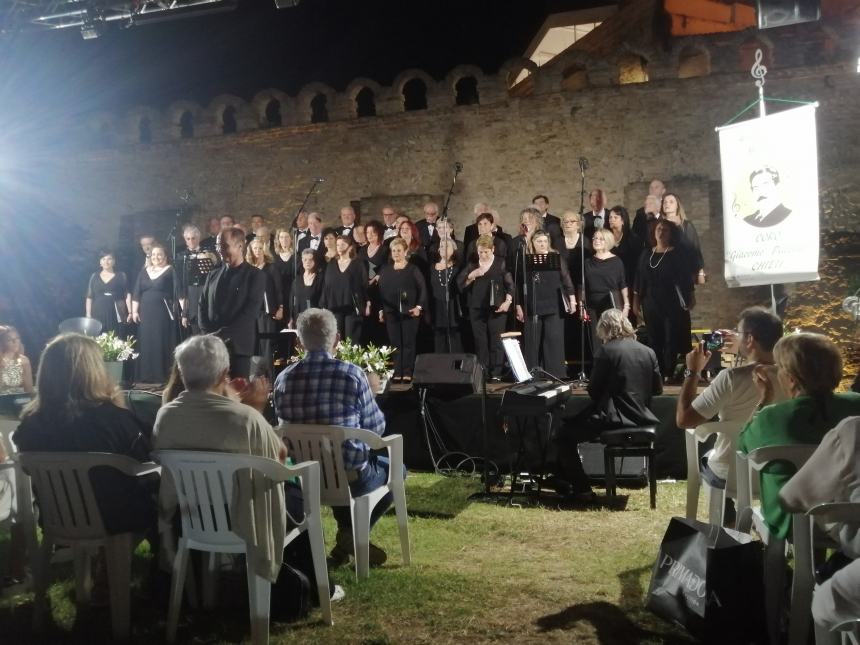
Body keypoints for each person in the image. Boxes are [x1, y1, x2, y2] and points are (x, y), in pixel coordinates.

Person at [153, 335, 290, 584]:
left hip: (189, 515)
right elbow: (278, 458)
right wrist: (255, 409)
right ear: (224, 373)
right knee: (296, 497)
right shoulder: (246, 418)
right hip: (239, 516)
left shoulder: (166, 415)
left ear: (182, 371)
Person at [274, 308, 400, 566]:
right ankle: (350, 535)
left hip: (303, 479)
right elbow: (376, 430)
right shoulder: (352, 375)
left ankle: (345, 541)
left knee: (335, 462)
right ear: (337, 339)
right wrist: (373, 394)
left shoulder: (283, 379)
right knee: (397, 470)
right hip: (348, 477)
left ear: (299, 341)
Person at [14, 333, 157, 536]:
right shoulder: (115, 420)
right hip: (116, 518)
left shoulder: (31, 424)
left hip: (57, 515)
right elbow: (147, 460)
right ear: (95, 371)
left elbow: (27, 467)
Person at [739, 333, 860, 539]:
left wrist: (763, 400)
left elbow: (742, 445)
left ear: (791, 378)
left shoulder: (771, 417)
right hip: (848, 518)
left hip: (790, 521)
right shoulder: (856, 406)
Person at [675, 307, 786, 516]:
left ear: (750, 339)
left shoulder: (731, 378)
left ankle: (727, 522)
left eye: (739, 332)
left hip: (731, 473)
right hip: (776, 472)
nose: (735, 335)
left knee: (711, 457)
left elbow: (684, 420)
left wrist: (693, 371)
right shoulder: (793, 377)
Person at [551, 309, 662, 497]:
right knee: (571, 426)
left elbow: (594, 391)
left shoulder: (606, 351)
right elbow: (657, 389)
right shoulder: (648, 352)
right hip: (643, 419)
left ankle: (582, 489)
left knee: (562, 435)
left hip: (614, 419)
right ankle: (564, 481)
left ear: (605, 328)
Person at [779, 417, 860, 645]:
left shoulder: (851, 430)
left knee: (825, 600)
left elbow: (791, 499)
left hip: (848, 567)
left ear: (791, 381)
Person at [198, 228, 266, 378]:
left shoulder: (255, 276)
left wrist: (220, 335)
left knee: (238, 394)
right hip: (212, 347)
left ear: (240, 246)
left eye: (224, 246)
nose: (219, 250)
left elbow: (250, 313)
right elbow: (202, 305)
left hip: (238, 347)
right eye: (218, 246)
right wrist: (207, 334)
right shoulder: (213, 275)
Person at [633, 219, 695, 381]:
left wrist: (691, 296)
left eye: (665, 230)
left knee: (671, 337)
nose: (661, 232)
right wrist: (636, 302)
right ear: (654, 232)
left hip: (672, 301)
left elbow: (686, 279)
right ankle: (657, 372)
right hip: (651, 302)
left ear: (671, 233)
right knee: (654, 337)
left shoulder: (677, 254)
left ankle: (669, 372)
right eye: (658, 229)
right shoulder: (646, 254)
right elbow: (639, 279)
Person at [515, 230, 576, 379]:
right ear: (533, 244)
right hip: (533, 304)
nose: (542, 244)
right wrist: (518, 305)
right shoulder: (526, 259)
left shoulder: (556, 258)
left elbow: (566, 279)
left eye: (544, 241)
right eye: (538, 241)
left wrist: (572, 300)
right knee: (532, 340)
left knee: (553, 339)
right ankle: (532, 372)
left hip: (553, 303)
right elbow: (519, 284)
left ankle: (555, 374)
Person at [458, 234, 514, 380]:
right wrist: (472, 276)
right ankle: (483, 370)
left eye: (486, 252)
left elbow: (510, 285)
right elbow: (460, 285)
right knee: (480, 340)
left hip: (497, 307)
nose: (483, 255)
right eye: (480, 252)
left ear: (493, 249)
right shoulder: (472, 264)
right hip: (476, 307)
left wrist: (507, 302)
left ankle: (496, 373)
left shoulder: (500, 263)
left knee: (496, 340)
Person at [377, 238, 428, 381]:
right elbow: (380, 292)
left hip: (409, 312)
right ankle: (397, 371)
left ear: (406, 252)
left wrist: (419, 307)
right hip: (391, 313)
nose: (396, 253)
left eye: (399, 250)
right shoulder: (385, 270)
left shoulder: (413, 269)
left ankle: (407, 371)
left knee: (408, 343)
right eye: (393, 250)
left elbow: (422, 289)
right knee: (395, 343)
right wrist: (381, 310)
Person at [132, 243, 176, 384]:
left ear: (165, 256)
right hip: (145, 312)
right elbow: (136, 292)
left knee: (160, 340)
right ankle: (146, 375)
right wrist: (134, 311)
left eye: (159, 254)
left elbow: (179, 291)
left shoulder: (170, 270)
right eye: (154, 254)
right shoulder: (144, 271)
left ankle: (161, 376)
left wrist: (184, 312)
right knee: (146, 341)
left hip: (162, 312)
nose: (156, 257)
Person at [582, 229, 629, 354]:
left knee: (613, 337)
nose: (596, 241)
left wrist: (627, 305)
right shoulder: (587, 262)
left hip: (612, 303)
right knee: (596, 338)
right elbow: (582, 286)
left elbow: (623, 284)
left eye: (600, 239)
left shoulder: (617, 261)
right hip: (592, 305)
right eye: (595, 238)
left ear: (608, 241)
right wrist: (582, 305)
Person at [320, 235, 369, 344]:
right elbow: (326, 285)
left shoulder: (358, 264)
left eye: (343, 244)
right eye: (337, 244)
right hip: (335, 306)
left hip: (352, 307)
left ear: (350, 247)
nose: (339, 247)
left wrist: (367, 304)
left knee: (352, 340)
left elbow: (364, 285)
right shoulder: (331, 264)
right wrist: (323, 305)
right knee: (336, 340)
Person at [247, 237, 284, 376]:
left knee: (267, 346)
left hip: (267, 312)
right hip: (252, 313)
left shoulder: (271, 268)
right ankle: (255, 378)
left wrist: (280, 308)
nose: (257, 251)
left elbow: (279, 289)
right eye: (255, 248)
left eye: (260, 248)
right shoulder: (248, 268)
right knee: (254, 344)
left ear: (264, 250)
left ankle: (269, 380)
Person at [176, 226, 217, 336]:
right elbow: (180, 282)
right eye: (188, 239)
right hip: (191, 293)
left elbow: (215, 274)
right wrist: (184, 312)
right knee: (194, 330)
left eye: (193, 238)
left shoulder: (209, 252)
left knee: (208, 328)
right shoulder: (181, 257)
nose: (191, 241)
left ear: (198, 238)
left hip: (205, 291)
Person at [661, 193, 704, 287]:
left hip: (683, 270)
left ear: (677, 206)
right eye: (665, 202)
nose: (667, 204)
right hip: (663, 270)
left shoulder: (687, 225)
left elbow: (695, 248)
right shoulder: (659, 226)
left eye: (671, 202)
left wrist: (700, 273)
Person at [85, 250, 132, 336]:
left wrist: (130, 312)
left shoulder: (121, 275)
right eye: (103, 259)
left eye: (109, 259)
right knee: (99, 336)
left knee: (116, 336)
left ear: (114, 261)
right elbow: (89, 296)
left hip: (115, 311)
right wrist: (88, 314)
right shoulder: (94, 276)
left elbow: (127, 294)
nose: (106, 261)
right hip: (98, 310)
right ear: (100, 261)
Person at [358, 221, 389, 346]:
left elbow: (387, 268)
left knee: (379, 322)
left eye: (373, 232)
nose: (370, 235)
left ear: (379, 233)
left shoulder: (385, 250)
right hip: (366, 291)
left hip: (379, 291)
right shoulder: (362, 250)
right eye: (367, 232)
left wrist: (377, 277)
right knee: (367, 322)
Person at [430, 238, 463, 353]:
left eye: (446, 246)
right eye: (441, 246)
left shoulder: (458, 267)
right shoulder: (432, 267)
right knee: (438, 337)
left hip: (452, 305)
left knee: (454, 337)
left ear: (453, 250)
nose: (443, 248)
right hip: (437, 306)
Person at [606, 206, 641, 298]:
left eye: (615, 217)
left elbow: (637, 264)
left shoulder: (633, 239)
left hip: (628, 282)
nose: (611, 220)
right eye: (610, 217)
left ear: (623, 221)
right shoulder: (605, 237)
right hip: (609, 281)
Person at [288, 249, 324, 327]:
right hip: (298, 319)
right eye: (305, 260)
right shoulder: (297, 279)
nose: (307, 262)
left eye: (311, 259)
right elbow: (292, 299)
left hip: (315, 319)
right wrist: (290, 318)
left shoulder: (320, 278)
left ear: (315, 261)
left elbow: (323, 300)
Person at [0, 326, 33, 394]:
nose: (15, 342)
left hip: (17, 400)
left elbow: (29, 389)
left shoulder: (24, 361)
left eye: (17, 338)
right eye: (9, 339)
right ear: (2, 343)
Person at [273, 228, 296, 322]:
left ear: (291, 239)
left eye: (287, 237)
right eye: (281, 237)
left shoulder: (296, 256)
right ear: (278, 240)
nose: (284, 239)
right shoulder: (273, 257)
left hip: (293, 293)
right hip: (279, 294)